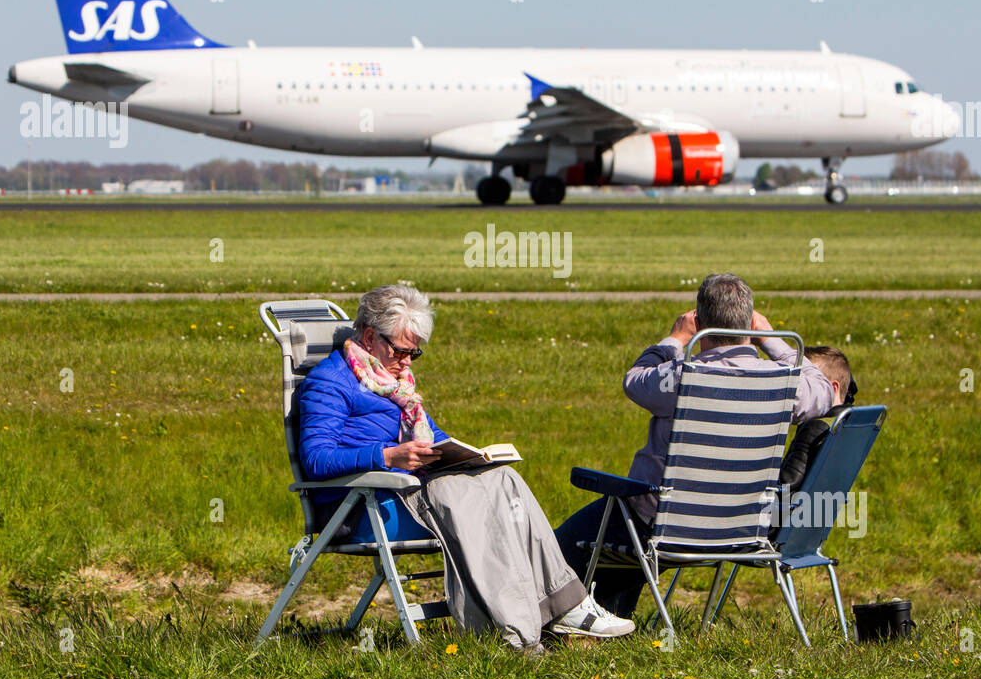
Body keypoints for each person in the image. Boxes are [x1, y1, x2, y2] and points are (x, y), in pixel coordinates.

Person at [297, 284, 634, 651]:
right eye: (401, 350)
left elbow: (429, 434)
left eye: (415, 353)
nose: (408, 362)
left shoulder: (391, 382)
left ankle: (566, 603)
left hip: (404, 493)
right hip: (362, 506)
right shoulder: (329, 382)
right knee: (454, 491)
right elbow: (316, 459)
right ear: (368, 337)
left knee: (503, 478)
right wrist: (387, 456)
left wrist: (464, 454)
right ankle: (514, 633)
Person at [555, 273, 835, 618]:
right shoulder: (782, 383)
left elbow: (635, 379)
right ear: (751, 323)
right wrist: (772, 340)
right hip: (741, 524)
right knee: (616, 540)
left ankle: (570, 623)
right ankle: (604, 620)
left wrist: (675, 338)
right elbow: (823, 389)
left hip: (662, 524)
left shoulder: (681, 376)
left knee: (557, 550)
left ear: (699, 323)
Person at [778, 346, 856, 493]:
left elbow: (788, 482)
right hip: (820, 509)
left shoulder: (815, 428)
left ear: (832, 389)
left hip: (787, 512)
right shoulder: (847, 424)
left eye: (810, 385)